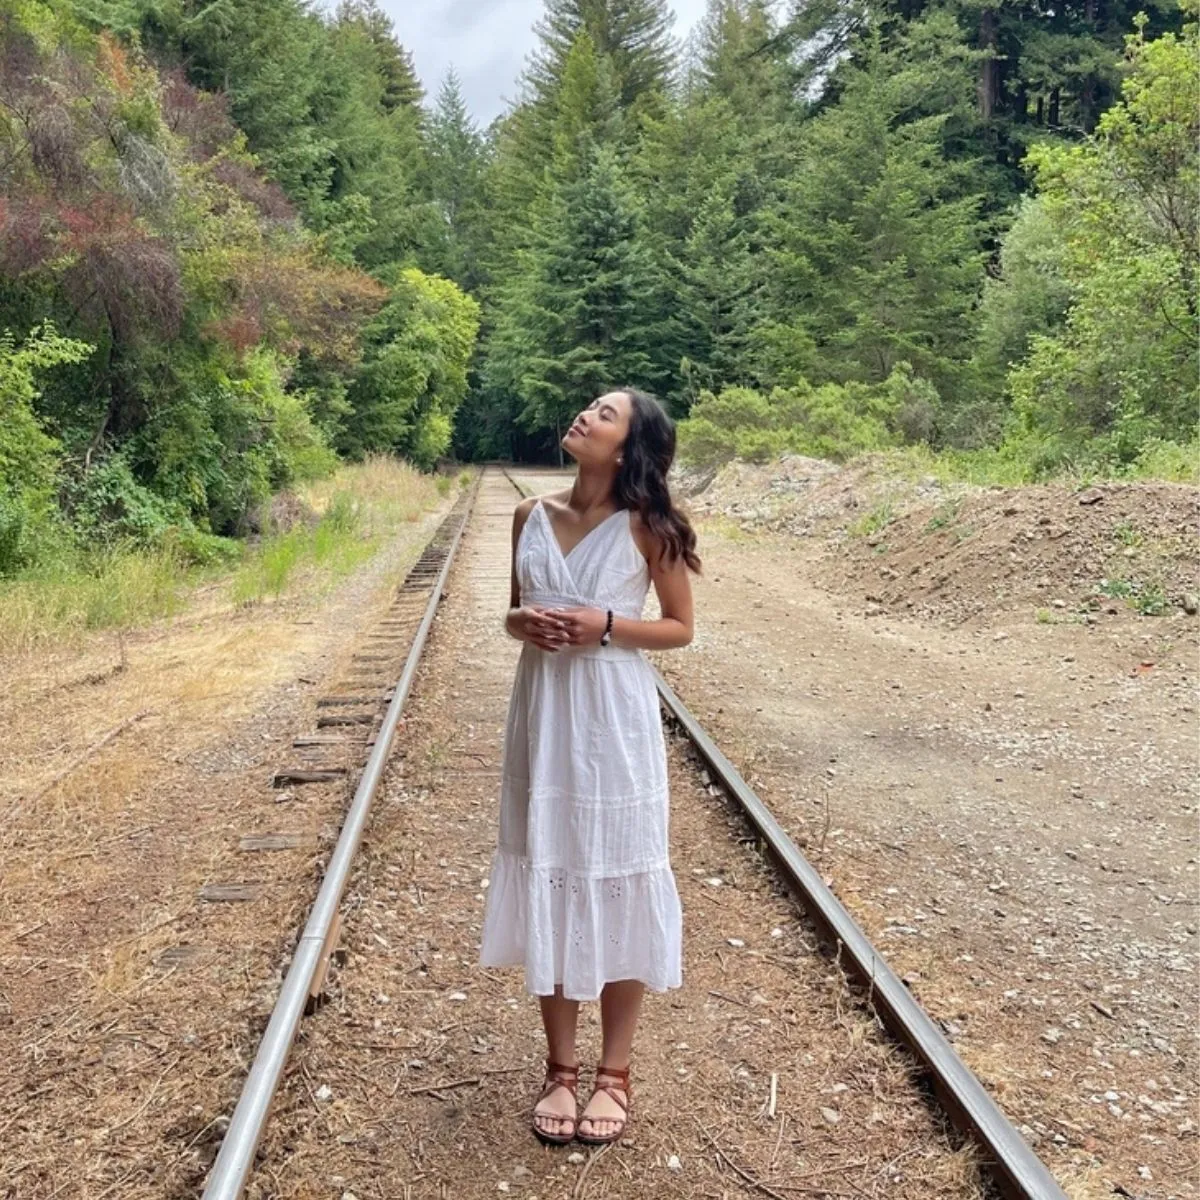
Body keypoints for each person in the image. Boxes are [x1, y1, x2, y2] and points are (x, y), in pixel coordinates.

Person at [479, 387, 701, 1147]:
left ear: (627, 447)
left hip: (613, 723)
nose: (585, 416)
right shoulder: (527, 516)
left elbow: (679, 629)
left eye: (605, 415)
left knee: (617, 876)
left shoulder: (648, 528)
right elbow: (516, 610)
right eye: (589, 408)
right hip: (542, 721)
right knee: (553, 870)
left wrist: (604, 624)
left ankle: (615, 1073)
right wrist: (519, 621)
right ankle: (560, 1070)